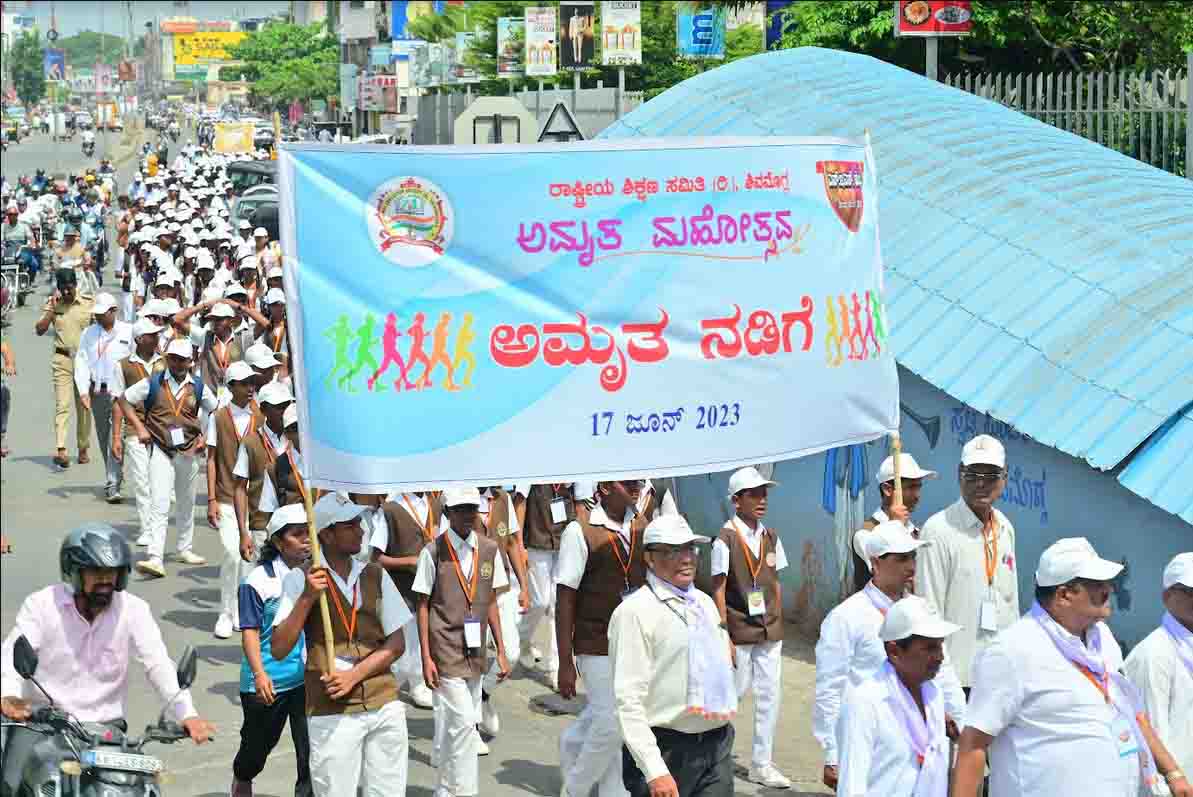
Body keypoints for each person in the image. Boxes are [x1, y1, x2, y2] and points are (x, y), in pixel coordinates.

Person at [953, 537, 1192, 797]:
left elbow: (1133, 714)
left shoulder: (1103, 639)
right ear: (1064, 594)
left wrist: (1172, 773)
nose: (1109, 590)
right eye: (1097, 584)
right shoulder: (1012, 650)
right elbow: (974, 745)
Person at [0, 524, 216, 793]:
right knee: (10, 783)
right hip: (43, 724)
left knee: (143, 790)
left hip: (106, 732)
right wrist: (8, 696)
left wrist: (187, 714)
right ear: (74, 572)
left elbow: (157, 662)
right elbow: (11, 657)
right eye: (96, 572)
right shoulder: (42, 605)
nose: (106, 580)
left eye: (112, 572)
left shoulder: (134, 610)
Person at [270, 492, 412, 797]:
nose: (361, 530)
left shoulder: (375, 574)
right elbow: (279, 648)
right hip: (330, 710)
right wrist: (307, 598)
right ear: (326, 535)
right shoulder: (300, 580)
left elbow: (397, 643)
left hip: (383, 701)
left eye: (358, 523)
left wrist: (354, 676)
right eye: (349, 525)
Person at [815, 521, 965, 791]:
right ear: (876, 562)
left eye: (913, 557)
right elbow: (830, 688)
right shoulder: (847, 617)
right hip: (875, 735)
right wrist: (832, 753)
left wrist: (961, 721)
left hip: (922, 735)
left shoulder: (922, 609)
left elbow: (945, 671)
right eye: (902, 558)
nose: (911, 566)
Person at [609, 514, 736, 797]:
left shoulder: (703, 603)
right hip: (667, 751)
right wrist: (655, 770)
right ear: (650, 559)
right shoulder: (635, 613)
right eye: (673, 551)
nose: (686, 558)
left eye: (690, 549)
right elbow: (627, 700)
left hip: (715, 744)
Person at [414, 487, 511, 797]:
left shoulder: (489, 548)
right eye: (460, 509)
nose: (468, 514)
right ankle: (466, 791)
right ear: (447, 513)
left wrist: (503, 649)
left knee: (459, 725)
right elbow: (423, 605)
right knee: (466, 722)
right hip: (444, 647)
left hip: (475, 648)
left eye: (472, 508)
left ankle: (444, 787)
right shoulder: (432, 552)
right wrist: (426, 658)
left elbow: (492, 600)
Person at [556, 480, 648, 797]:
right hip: (594, 640)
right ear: (606, 487)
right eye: (629, 482)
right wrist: (565, 661)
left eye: (639, 481)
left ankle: (610, 786)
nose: (637, 487)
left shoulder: (641, 524)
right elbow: (565, 597)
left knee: (611, 718)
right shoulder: (579, 531)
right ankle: (575, 790)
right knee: (612, 722)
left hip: (632, 639)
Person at [710, 466, 792, 789]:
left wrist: (777, 615)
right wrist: (723, 634)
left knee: (770, 695)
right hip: (739, 629)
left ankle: (762, 763)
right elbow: (718, 587)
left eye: (764, 493)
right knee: (735, 692)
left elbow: (776, 582)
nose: (762, 499)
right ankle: (713, 756)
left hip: (770, 630)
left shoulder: (771, 536)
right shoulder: (725, 539)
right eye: (754, 494)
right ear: (736, 500)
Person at [915, 434, 1017, 692]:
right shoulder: (939, 531)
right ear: (959, 473)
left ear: (1005, 477)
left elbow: (1010, 603)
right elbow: (929, 612)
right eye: (972, 475)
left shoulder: (1004, 528)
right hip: (959, 681)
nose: (980, 484)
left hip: (1000, 678)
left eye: (991, 476)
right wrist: (945, 690)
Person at [835, 596, 960, 797]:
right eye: (929, 648)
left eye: (940, 646)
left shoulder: (933, 694)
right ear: (894, 651)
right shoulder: (866, 702)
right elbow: (852, 786)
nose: (940, 657)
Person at [118, 339, 218, 578]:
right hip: (161, 448)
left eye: (182, 359)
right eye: (173, 358)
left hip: (189, 449)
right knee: (160, 502)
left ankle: (185, 548)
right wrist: (140, 428)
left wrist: (206, 436)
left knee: (187, 502)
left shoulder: (199, 387)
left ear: (190, 361)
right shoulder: (153, 382)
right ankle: (155, 556)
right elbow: (124, 399)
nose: (177, 363)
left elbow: (216, 409)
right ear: (167, 359)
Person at [232, 504, 313, 797]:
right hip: (268, 681)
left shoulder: (313, 576)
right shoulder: (257, 582)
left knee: (310, 753)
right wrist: (260, 674)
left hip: (305, 680)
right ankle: (243, 776)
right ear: (278, 542)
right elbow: (250, 632)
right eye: (297, 534)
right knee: (257, 749)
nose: (305, 539)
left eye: (308, 533)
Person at [1125, 553, 1192, 796]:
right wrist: (1171, 782)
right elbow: (1150, 733)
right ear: (1167, 597)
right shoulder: (1154, 654)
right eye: (1190, 591)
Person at [371, 490, 444, 709]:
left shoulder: (435, 505)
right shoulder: (390, 509)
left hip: (431, 589)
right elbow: (376, 558)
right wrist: (408, 562)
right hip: (401, 589)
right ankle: (402, 684)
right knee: (405, 642)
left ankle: (418, 680)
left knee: (424, 635)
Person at [208, 361, 264, 639]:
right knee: (231, 553)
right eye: (244, 383)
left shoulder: (261, 417)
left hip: (254, 500)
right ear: (231, 387)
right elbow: (210, 459)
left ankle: (242, 611)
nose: (250, 387)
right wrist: (211, 499)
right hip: (227, 496)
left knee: (249, 558)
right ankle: (225, 612)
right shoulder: (218, 418)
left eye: (252, 382)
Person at [74, 292, 134, 503]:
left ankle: (112, 482)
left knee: (115, 438)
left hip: (123, 396)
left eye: (102, 313)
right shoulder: (89, 334)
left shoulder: (128, 331)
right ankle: (115, 474)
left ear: (114, 311)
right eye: (96, 314)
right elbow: (81, 362)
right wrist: (83, 391)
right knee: (102, 438)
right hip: (98, 392)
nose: (98, 317)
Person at [111, 318, 165, 546]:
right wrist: (116, 437)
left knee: (159, 482)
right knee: (141, 480)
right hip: (135, 430)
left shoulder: (165, 363)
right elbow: (117, 402)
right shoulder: (123, 365)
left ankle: (156, 524)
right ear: (139, 339)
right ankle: (147, 528)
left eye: (157, 335)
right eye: (152, 335)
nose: (156, 339)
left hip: (162, 430)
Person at [518, 483, 578, 688]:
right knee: (540, 602)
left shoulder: (571, 471)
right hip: (538, 542)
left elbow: (579, 504)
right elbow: (520, 503)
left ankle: (555, 666)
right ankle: (521, 638)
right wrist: (519, 545)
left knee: (557, 606)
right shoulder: (532, 467)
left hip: (564, 542)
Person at [34, 267, 95, 469]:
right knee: (63, 405)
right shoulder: (53, 304)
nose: (67, 292)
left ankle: (83, 447)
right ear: (58, 288)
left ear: (76, 286)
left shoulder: (88, 304)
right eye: (63, 289)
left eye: (70, 288)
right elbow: (40, 330)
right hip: (62, 360)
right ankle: (61, 449)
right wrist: (51, 310)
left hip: (85, 363)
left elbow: (100, 330)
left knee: (84, 407)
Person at [852, 453, 936, 591]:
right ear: (887, 489)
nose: (917, 495)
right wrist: (895, 526)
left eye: (919, 487)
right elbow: (884, 575)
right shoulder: (865, 534)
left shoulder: (916, 532)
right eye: (911, 488)